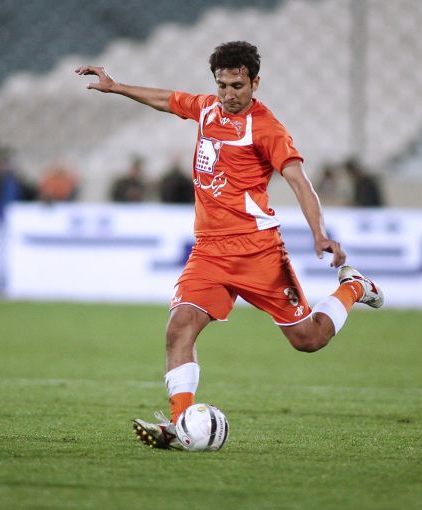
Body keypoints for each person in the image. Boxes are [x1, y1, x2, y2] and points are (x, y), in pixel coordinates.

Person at [77, 41, 383, 450]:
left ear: (255, 83)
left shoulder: (267, 128)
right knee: (179, 327)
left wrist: (319, 233)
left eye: (237, 86)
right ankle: (181, 425)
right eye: (222, 85)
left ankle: (354, 287)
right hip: (208, 251)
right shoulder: (207, 109)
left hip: (258, 252)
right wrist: (116, 87)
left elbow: (298, 181)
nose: (228, 94)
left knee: (308, 339)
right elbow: (167, 99)